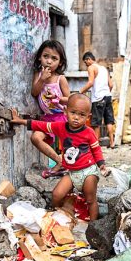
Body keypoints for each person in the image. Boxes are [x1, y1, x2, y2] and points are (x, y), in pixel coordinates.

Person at [11, 93, 110, 221]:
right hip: (72, 173)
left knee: (90, 199)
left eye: (81, 115)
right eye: (73, 112)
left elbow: (96, 150)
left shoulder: (89, 132)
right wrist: (20, 121)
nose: (76, 118)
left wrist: (101, 164)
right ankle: (58, 218)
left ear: (88, 117)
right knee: (57, 194)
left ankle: (93, 225)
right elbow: (40, 125)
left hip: (88, 171)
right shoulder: (60, 127)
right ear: (65, 111)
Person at [31, 40, 71, 178]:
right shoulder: (38, 75)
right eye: (45, 56)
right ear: (39, 57)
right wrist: (42, 79)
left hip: (61, 117)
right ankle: (59, 162)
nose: (49, 61)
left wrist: (57, 98)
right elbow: (34, 92)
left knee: (69, 146)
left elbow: (70, 100)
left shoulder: (60, 79)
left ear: (60, 62)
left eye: (54, 58)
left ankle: (72, 168)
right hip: (47, 118)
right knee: (35, 138)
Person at [79, 52, 115, 149]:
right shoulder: (104, 69)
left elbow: (90, 83)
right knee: (109, 121)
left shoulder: (91, 67)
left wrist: (80, 92)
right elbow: (111, 85)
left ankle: (96, 146)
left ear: (88, 59)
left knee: (96, 123)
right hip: (107, 96)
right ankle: (112, 143)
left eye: (85, 62)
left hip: (98, 98)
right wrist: (106, 93)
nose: (86, 65)